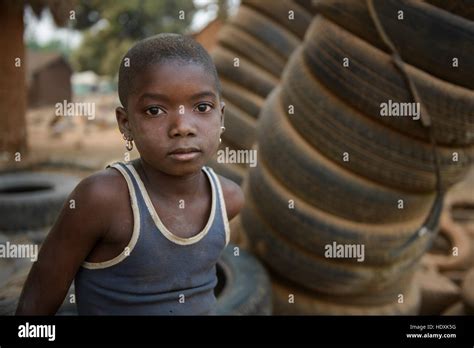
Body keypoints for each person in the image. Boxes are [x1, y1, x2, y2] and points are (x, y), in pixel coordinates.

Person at [16, 33, 244, 315]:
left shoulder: (229, 199)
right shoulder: (102, 200)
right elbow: (34, 306)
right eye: (154, 110)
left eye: (201, 107)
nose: (182, 126)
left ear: (220, 116)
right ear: (125, 124)